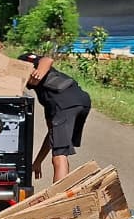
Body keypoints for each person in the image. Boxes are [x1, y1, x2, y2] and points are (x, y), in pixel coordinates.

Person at [18, 52, 93, 182]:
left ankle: (60, 193)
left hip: (66, 103)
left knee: (59, 155)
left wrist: (39, 72)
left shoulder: (25, 63)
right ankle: (64, 187)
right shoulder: (48, 98)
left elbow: (47, 60)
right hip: (82, 102)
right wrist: (38, 161)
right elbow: (51, 136)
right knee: (61, 149)